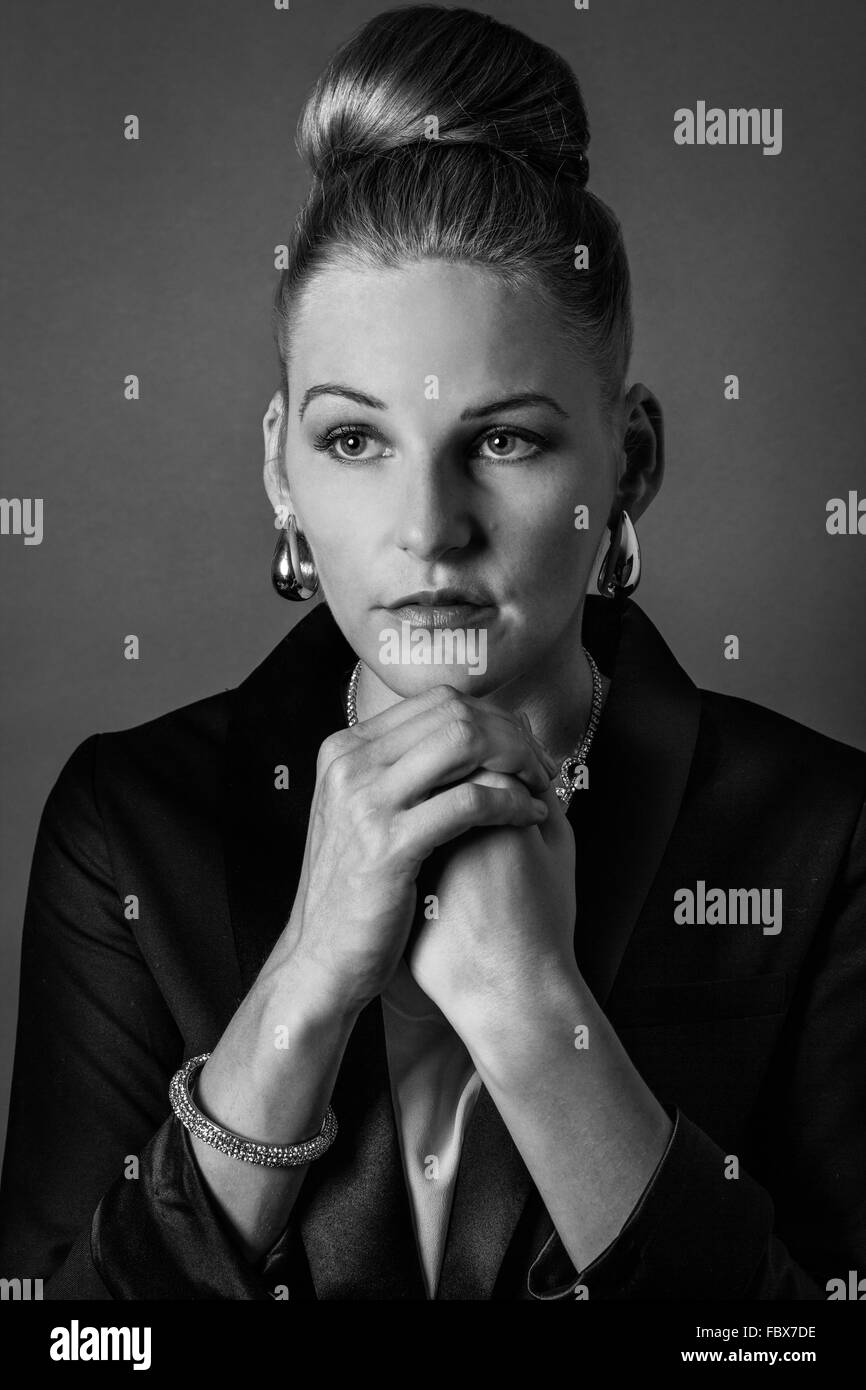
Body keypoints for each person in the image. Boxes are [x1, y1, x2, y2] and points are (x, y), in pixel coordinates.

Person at [0, 4, 863, 1302]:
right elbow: (71, 1345)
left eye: (504, 439)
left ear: (627, 463)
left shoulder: (820, 834)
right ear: (278, 469)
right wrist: (298, 989)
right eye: (354, 442)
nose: (425, 529)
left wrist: (533, 1013)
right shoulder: (128, 826)